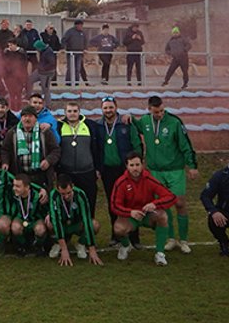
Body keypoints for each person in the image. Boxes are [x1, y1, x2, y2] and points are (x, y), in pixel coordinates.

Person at [133, 96, 198, 254]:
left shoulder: (174, 122)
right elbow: (135, 125)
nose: (160, 114)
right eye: (156, 112)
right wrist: (129, 118)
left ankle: (184, 240)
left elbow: (186, 145)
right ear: (149, 109)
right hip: (155, 171)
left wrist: (192, 166)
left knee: (180, 203)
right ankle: (171, 238)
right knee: (162, 205)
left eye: (162, 111)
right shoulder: (145, 121)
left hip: (175, 170)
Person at [110, 152, 177, 266]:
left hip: (147, 215)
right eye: (132, 165)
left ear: (142, 165)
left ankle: (160, 253)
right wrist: (130, 212)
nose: (135, 168)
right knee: (118, 228)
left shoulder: (149, 179)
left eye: (137, 165)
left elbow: (171, 197)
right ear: (127, 166)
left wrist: (154, 204)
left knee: (163, 216)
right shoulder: (121, 182)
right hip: (131, 217)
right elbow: (114, 206)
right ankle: (126, 246)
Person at [97, 97, 142, 246]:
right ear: (102, 109)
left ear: (116, 107)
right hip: (107, 171)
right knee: (113, 203)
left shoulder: (126, 123)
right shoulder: (98, 125)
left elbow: (137, 144)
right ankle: (116, 235)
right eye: (105, 108)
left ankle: (134, 237)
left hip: (125, 170)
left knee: (131, 201)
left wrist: (136, 165)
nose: (108, 110)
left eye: (111, 107)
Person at [46, 174, 103, 266]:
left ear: (72, 186)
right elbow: (57, 221)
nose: (66, 196)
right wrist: (64, 249)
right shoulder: (54, 195)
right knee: (49, 223)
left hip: (76, 224)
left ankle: (81, 243)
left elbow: (86, 219)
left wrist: (92, 249)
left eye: (68, 193)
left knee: (94, 225)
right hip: (63, 225)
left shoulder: (80, 194)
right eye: (63, 194)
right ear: (57, 189)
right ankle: (58, 243)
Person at [56, 102, 101, 217]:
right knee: (67, 204)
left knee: (88, 203)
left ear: (79, 112)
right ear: (65, 113)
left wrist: (97, 168)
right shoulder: (59, 126)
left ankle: (88, 226)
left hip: (87, 172)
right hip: (66, 172)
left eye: (75, 111)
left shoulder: (90, 125)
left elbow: (96, 147)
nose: (72, 114)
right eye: (69, 111)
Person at [0, 106, 60, 189]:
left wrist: (48, 161)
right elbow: (5, 150)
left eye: (30, 116)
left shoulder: (45, 133)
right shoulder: (12, 133)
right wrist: (5, 162)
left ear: (36, 119)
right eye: (25, 116)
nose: (27, 119)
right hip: (20, 176)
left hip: (40, 177)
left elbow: (56, 150)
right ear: (21, 118)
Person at [9, 174, 49, 256]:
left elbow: (46, 210)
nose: (14, 188)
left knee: (40, 229)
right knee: (15, 227)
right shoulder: (13, 194)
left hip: (35, 219)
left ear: (27, 187)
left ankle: (38, 245)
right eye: (14, 185)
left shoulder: (38, 196)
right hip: (20, 218)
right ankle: (22, 245)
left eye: (18, 186)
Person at [1, 39, 28, 110]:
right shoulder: (6, 52)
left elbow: (24, 64)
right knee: (11, 94)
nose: (9, 47)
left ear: (15, 45)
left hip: (19, 76)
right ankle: (12, 109)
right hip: (9, 76)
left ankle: (18, 109)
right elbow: (3, 63)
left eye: (11, 45)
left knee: (18, 94)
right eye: (8, 45)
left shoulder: (21, 53)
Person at [61, 19, 89, 86]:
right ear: (76, 25)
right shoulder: (70, 32)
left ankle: (76, 82)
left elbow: (85, 41)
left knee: (78, 68)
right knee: (70, 68)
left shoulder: (83, 33)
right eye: (80, 25)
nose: (81, 27)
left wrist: (85, 49)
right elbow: (64, 40)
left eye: (82, 25)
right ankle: (68, 82)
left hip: (79, 53)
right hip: (71, 53)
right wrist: (64, 48)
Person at [28, 40, 56, 104]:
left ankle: (48, 104)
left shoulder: (49, 52)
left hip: (47, 73)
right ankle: (29, 96)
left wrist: (44, 68)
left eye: (37, 48)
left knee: (45, 89)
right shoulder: (42, 51)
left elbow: (52, 63)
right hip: (39, 71)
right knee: (29, 80)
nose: (36, 50)